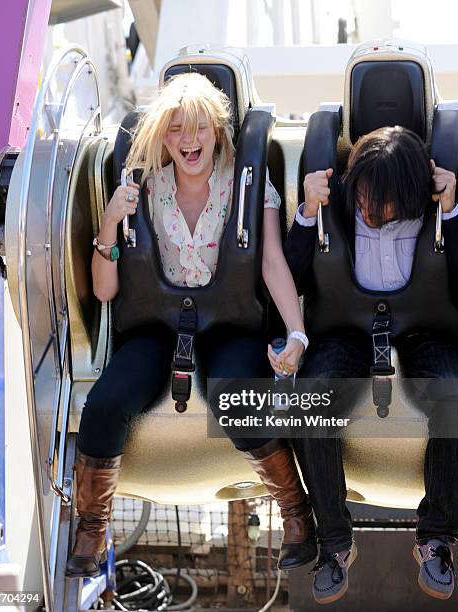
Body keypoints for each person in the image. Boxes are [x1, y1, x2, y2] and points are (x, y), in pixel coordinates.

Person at [66, 72, 316, 577]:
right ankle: (92, 527)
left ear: (218, 131)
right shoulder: (144, 188)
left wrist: (295, 331)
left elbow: (271, 262)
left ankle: (295, 512)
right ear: (163, 136)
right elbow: (105, 291)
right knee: (106, 405)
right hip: (158, 324)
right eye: (176, 129)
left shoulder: (246, 185)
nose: (189, 141)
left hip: (228, 320)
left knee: (236, 396)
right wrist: (111, 221)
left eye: (199, 128)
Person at [284, 126, 458, 604]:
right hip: (346, 328)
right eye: (361, 193)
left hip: (425, 327)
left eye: (380, 201)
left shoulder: (433, 207)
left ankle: (437, 537)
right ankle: (336, 543)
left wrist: (452, 213)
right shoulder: (340, 204)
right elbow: (291, 277)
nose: (367, 207)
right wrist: (307, 213)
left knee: (454, 396)